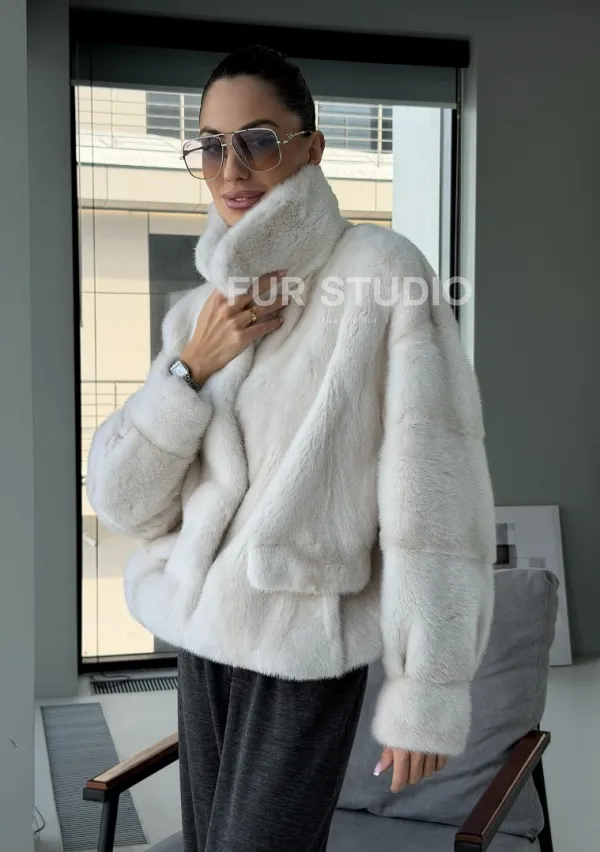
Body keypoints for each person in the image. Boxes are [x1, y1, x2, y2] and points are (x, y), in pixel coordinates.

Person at [87, 45, 496, 852]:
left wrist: (429, 685)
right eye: (212, 146)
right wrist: (188, 371)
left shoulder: (382, 273)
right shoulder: (198, 316)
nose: (232, 168)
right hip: (200, 636)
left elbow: (435, 495)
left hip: (301, 637)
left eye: (258, 140)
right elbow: (129, 505)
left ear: (312, 147)